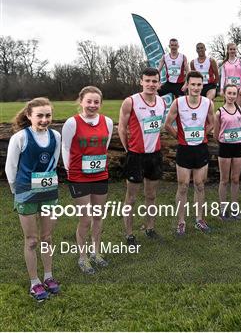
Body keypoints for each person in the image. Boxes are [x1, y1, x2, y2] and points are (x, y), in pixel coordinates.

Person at [5, 98, 61, 301]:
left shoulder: (55, 136)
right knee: (31, 240)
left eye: (48, 115)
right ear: (29, 116)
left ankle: (48, 276)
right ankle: (34, 282)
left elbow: (54, 162)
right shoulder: (20, 137)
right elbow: (10, 168)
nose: (45, 119)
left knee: (47, 238)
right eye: (40, 115)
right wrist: (17, 192)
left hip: (48, 191)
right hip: (25, 192)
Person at [62, 86, 113, 274]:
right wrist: (70, 171)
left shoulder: (107, 121)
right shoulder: (72, 123)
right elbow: (65, 147)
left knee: (98, 216)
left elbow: (104, 146)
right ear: (81, 101)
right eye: (89, 101)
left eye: (96, 102)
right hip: (79, 176)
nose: (92, 105)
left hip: (100, 175)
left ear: (100, 103)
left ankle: (96, 253)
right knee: (85, 218)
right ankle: (82, 258)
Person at [118, 67, 166, 245]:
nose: (151, 84)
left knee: (151, 196)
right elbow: (122, 128)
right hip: (136, 156)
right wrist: (127, 149)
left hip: (155, 155)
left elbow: (157, 127)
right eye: (147, 81)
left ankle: (150, 228)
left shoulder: (162, 102)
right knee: (131, 198)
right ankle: (129, 234)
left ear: (159, 83)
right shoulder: (130, 101)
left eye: (154, 81)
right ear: (141, 82)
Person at [164, 70, 215, 235]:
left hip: (200, 149)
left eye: (199, 84)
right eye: (193, 84)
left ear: (202, 85)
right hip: (184, 149)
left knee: (200, 185)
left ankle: (199, 220)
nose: (196, 87)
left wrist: (203, 135)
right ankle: (181, 222)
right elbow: (167, 124)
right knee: (183, 186)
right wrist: (180, 138)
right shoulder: (178, 102)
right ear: (187, 85)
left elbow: (211, 123)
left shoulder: (208, 103)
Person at [214, 84, 241, 220]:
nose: (232, 96)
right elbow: (216, 134)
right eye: (229, 93)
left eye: (234, 93)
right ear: (224, 94)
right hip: (225, 147)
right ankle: (222, 209)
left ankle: (234, 208)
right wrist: (223, 141)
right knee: (224, 179)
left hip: (238, 146)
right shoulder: (219, 112)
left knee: (235, 179)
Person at [220, 43, 241, 108]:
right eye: (230, 49)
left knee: (239, 109)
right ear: (228, 50)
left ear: (236, 50)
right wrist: (221, 89)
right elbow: (223, 77)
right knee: (228, 109)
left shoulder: (240, 62)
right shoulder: (224, 63)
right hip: (228, 89)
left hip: (238, 89)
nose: (232, 51)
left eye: (234, 49)